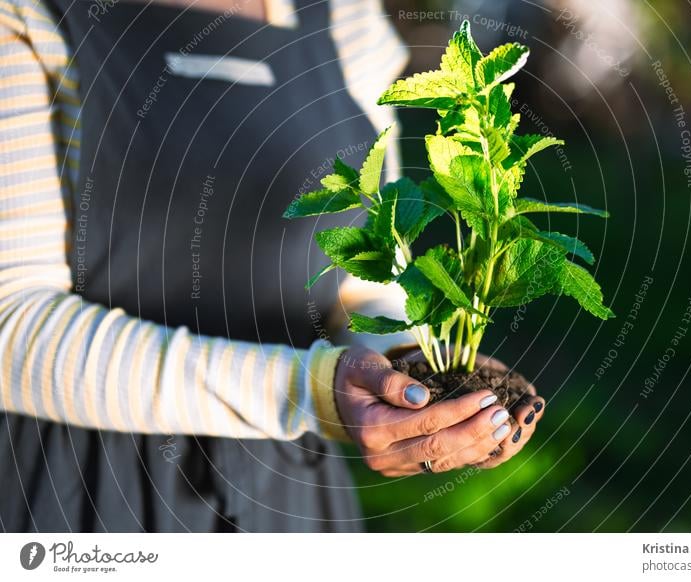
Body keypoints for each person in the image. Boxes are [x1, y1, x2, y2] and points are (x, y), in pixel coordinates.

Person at [0, 0, 543, 532]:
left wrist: (400, 370)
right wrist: (312, 391)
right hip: (80, 488)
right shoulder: (28, 14)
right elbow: (12, 327)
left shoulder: (342, 17)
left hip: (290, 488)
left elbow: (361, 283)